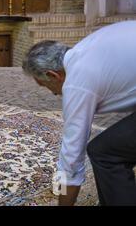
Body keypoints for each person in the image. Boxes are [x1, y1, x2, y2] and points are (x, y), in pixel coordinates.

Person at [22, 21, 136, 206]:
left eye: (45, 85)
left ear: (53, 75)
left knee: (104, 152)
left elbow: (71, 158)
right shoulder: (85, 48)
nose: (53, 93)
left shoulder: (77, 83)